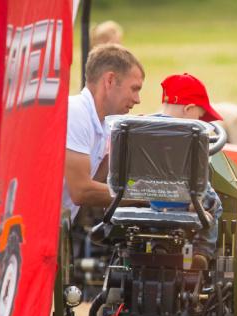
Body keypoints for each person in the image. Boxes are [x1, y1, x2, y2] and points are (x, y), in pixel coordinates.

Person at [63, 43, 144, 222]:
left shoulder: (103, 123)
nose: (137, 99)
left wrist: (127, 143)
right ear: (110, 81)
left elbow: (95, 179)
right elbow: (81, 191)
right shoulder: (75, 113)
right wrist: (146, 196)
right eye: (134, 89)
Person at [156, 73, 224, 267]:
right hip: (186, 198)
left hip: (148, 198)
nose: (200, 121)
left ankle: (155, 245)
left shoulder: (141, 127)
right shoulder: (192, 135)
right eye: (200, 116)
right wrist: (198, 200)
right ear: (188, 109)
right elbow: (198, 175)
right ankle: (202, 250)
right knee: (215, 204)